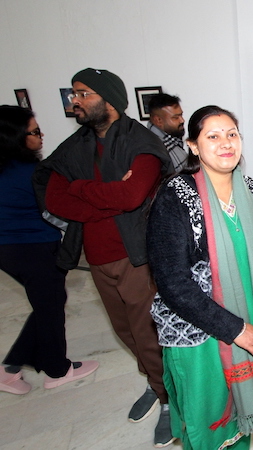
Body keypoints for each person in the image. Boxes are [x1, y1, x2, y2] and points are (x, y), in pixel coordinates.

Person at [32, 68, 174, 447]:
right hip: (96, 259)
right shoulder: (74, 146)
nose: (74, 101)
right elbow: (55, 199)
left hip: (137, 257)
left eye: (83, 94)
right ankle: (155, 383)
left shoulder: (140, 141)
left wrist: (80, 190)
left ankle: (170, 399)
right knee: (125, 331)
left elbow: (131, 196)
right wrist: (103, 195)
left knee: (149, 334)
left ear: (109, 99)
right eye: (73, 94)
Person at [147, 105, 253, 449]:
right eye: (213, 136)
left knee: (243, 417)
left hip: (250, 319)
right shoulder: (176, 196)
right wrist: (235, 329)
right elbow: (172, 282)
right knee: (209, 423)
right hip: (198, 332)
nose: (226, 143)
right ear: (193, 146)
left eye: (232, 134)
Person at [0, 105, 98, 395]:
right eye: (33, 132)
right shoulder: (31, 173)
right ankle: (57, 371)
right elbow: (61, 206)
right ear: (15, 138)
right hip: (33, 248)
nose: (40, 135)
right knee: (50, 307)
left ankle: (11, 368)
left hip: (8, 251)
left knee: (49, 303)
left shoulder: (6, 167)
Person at [147, 93, 187, 172]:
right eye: (175, 117)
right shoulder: (155, 147)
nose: (182, 120)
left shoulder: (172, 140)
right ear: (158, 120)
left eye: (181, 115)